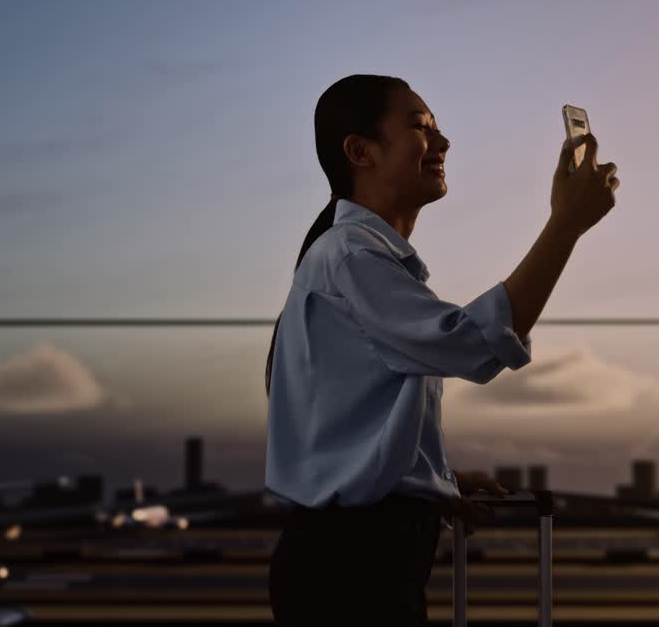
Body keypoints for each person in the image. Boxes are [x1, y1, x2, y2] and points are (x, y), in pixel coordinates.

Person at [265, 74, 619, 626]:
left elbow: (348, 419)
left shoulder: (354, 258)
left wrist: (429, 478)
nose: (444, 142)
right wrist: (566, 225)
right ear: (360, 151)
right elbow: (475, 344)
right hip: (350, 574)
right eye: (420, 127)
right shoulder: (351, 257)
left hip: (358, 563)